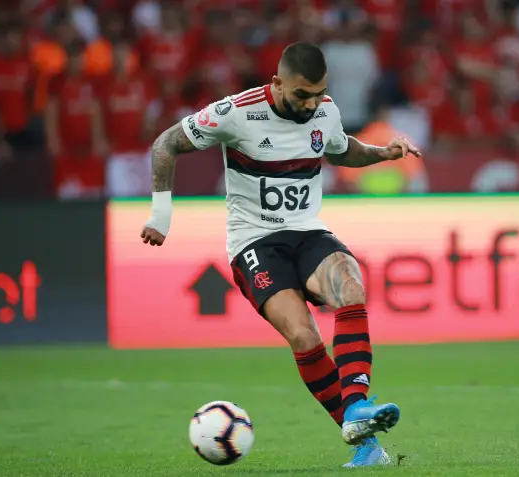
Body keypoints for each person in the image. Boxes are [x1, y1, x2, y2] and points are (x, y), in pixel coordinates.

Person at [140, 42, 421, 468]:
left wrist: (385, 153)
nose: (311, 104)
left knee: (350, 283)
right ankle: (362, 438)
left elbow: (342, 149)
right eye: (301, 94)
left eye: (318, 93)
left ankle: (358, 409)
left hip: (307, 233)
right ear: (277, 83)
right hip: (254, 243)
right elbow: (166, 143)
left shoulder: (325, 110)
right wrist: (161, 214)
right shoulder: (236, 112)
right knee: (304, 335)